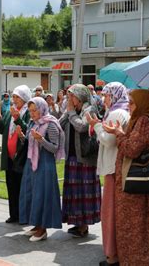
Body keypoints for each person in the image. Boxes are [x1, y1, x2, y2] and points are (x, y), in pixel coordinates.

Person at [103, 89, 149, 265]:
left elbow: (132, 149)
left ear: (143, 103)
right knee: (145, 232)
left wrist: (119, 134)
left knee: (138, 233)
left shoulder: (144, 120)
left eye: (132, 103)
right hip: (141, 188)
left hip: (138, 191)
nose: (128, 106)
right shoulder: (148, 119)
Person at [86, 82, 130, 266]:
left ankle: (112, 255)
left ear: (114, 95)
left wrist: (95, 125)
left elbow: (109, 141)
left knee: (110, 214)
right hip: (115, 167)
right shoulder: (118, 111)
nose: (103, 98)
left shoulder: (117, 113)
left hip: (113, 168)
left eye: (106, 95)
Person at [19, 97, 64, 242]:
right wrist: (22, 136)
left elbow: (55, 148)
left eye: (34, 110)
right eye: (30, 110)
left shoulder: (50, 124)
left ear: (42, 109)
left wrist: (41, 140)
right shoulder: (33, 123)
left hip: (45, 164)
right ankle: (36, 224)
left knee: (43, 195)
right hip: (32, 163)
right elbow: (30, 141)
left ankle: (43, 229)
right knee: (32, 193)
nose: (31, 114)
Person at [60, 84, 100, 238]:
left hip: (85, 158)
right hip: (72, 157)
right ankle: (77, 223)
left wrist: (70, 112)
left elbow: (82, 127)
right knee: (74, 192)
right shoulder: (71, 110)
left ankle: (84, 226)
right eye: (69, 96)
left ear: (81, 96)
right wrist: (67, 112)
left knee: (84, 192)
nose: (70, 99)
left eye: (72, 96)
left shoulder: (89, 109)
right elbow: (60, 123)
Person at [0, 85, 31, 223]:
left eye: (17, 97)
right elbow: (3, 129)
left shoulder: (28, 112)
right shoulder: (11, 112)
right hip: (9, 156)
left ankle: (24, 215)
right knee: (11, 185)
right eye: (13, 97)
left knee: (22, 186)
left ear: (24, 98)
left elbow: (28, 130)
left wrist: (18, 118)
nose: (14, 100)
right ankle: (14, 214)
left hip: (21, 156)